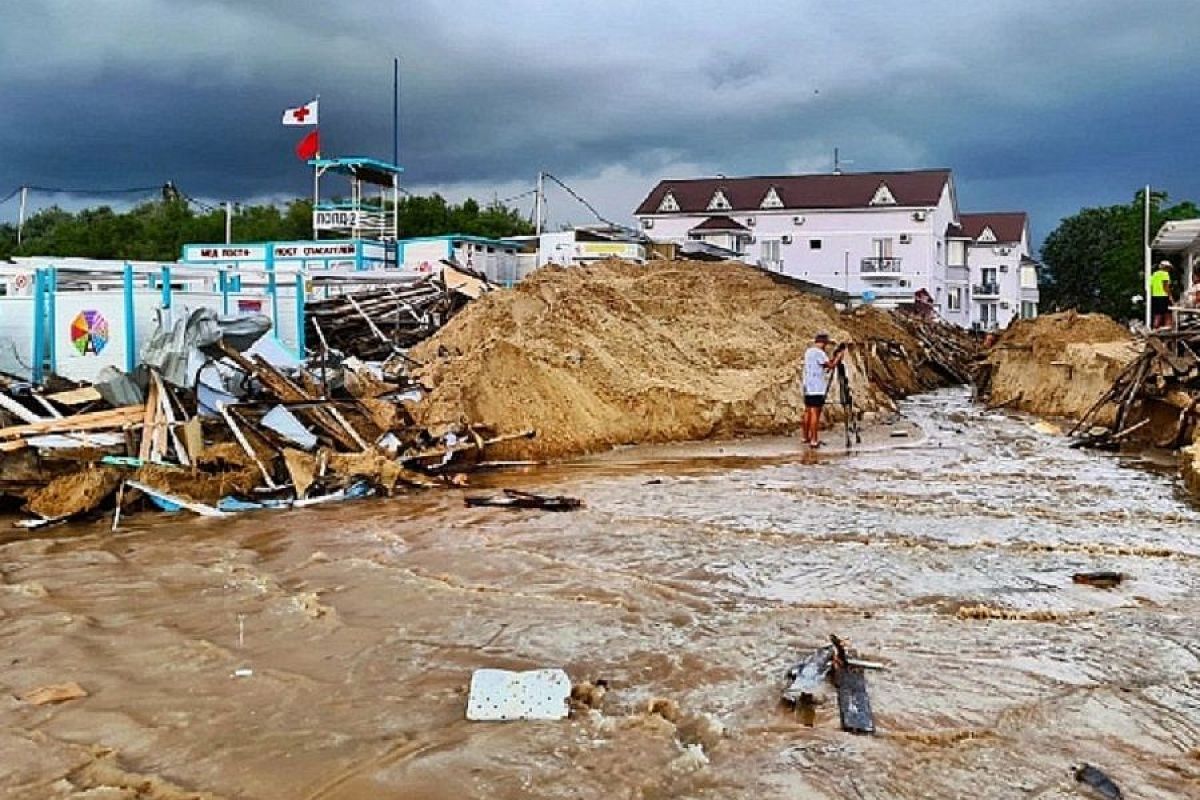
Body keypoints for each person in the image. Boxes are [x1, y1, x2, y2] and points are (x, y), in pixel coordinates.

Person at [801, 332, 846, 448]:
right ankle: (814, 440)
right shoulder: (819, 353)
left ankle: (805, 437)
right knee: (815, 412)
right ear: (824, 343)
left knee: (808, 411)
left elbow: (821, 366)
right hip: (817, 387)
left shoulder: (808, 352)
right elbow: (830, 366)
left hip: (808, 385)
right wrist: (838, 358)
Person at [1150, 260, 1174, 330]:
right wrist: (1170, 297)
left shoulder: (1154, 274)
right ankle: (1168, 330)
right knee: (1168, 314)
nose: (1169, 270)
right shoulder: (1165, 274)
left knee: (1157, 314)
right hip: (1163, 296)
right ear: (1166, 268)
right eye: (1169, 268)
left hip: (1155, 296)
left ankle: (1154, 330)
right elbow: (1165, 287)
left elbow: (1151, 286)